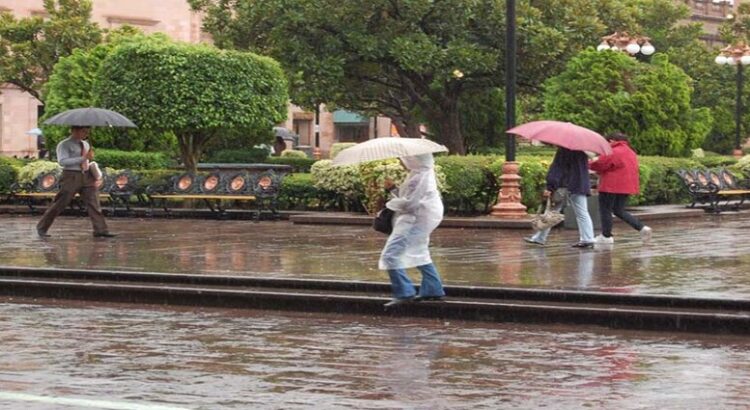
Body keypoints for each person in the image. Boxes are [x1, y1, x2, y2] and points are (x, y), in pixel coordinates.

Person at [379, 154, 446, 307]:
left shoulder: (421, 176)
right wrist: (394, 190)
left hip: (414, 220)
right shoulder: (419, 174)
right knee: (419, 251)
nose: (402, 160)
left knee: (391, 254)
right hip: (417, 219)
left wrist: (391, 204)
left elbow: (411, 204)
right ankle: (432, 289)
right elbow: (409, 197)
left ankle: (404, 292)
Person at [36, 126, 116, 238]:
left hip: (86, 175)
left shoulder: (86, 144)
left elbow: (87, 161)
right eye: (83, 131)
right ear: (74, 131)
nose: (86, 133)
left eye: (87, 131)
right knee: (61, 202)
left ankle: (101, 230)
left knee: (94, 203)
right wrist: (83, 158)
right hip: (71, 175)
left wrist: (93, 170)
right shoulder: (64, 144)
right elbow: (62, 161)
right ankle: (42, 227)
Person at [524, 147, 595, 248]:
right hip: (580, 185)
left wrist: (550, 186)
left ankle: (540, 238)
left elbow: (557, 168)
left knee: (551, 212)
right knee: (582, 213)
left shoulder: (564, 150)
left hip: (564, 186)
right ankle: (588, 238)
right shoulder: (582, 150)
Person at [589, 132, 652, 244]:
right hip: (626, 186)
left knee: (605, 210)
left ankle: (606, 236)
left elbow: (601, 164)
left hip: (610, 185)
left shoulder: (612, 151)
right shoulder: (630, 152)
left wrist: (589, 163)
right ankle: (642, 228)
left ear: (611, 141)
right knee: (619, 210)